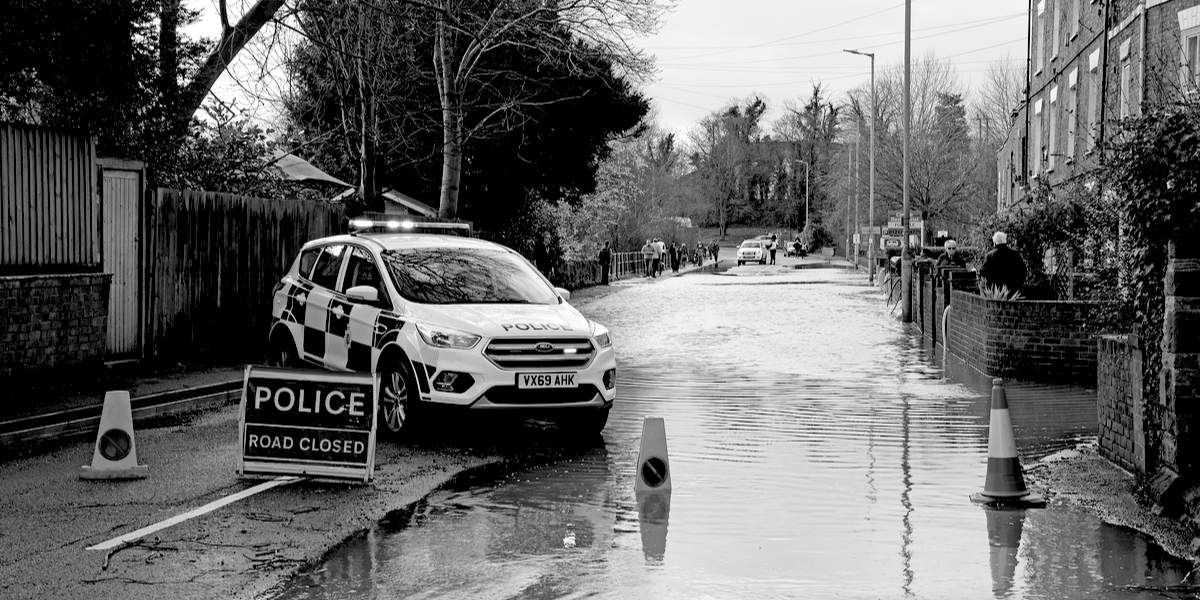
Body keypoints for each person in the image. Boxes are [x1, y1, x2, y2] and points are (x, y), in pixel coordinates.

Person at [979, 231, 1027, 297]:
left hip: (995, 292)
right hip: (1012, 290)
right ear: (1005, 241)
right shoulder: (1015, 254)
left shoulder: (990, 255)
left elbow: (983, 271)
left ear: (995, 243)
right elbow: (1023, 271)